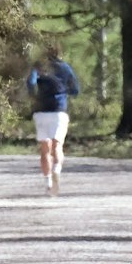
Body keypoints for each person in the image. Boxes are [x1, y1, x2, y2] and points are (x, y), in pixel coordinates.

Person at [25, 46, 81, 195]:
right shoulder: (65, 68)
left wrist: (34, 95)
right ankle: (57, 169)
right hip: (58, 111)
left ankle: (48, 182)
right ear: (59, 53)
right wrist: (64, 91)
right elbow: (75, 89)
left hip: (41, 111)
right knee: (57, 146)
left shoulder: (39, 67)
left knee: (45, 148)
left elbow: (30, 83)